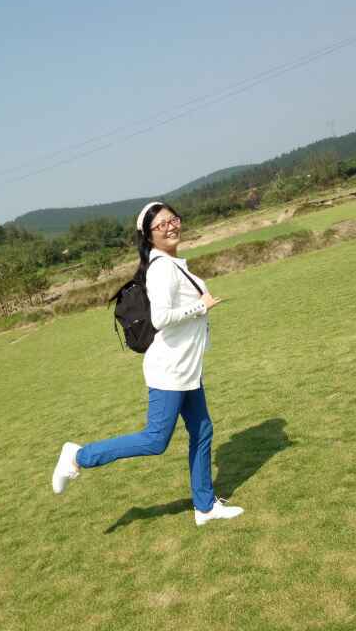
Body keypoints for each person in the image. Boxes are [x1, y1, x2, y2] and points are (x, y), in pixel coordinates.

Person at [52, 201, 244, 526]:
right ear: (148, 235)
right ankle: (78, 456)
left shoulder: (172, 263)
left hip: (187, 367)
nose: (171, 227)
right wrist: (201, 306)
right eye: (161, 225)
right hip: (170, 370)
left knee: (202, 430)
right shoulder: (161, 268)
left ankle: (205, 507)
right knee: (156, 440)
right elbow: (161, 318)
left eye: (173, 220)